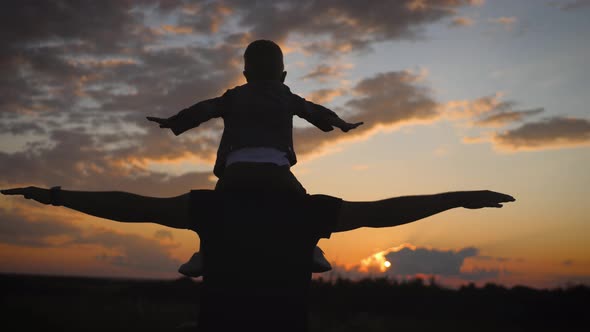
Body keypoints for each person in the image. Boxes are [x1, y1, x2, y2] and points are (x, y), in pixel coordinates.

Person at [2, 186, 515, 332]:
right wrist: (457, 197)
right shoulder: (308, 209)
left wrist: (56, 195)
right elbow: (385, 212)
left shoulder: (211, 204)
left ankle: (202, 257)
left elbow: (130, 207)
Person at [146, 39, 363, 277]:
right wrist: (340, 123)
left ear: (246, 74)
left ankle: (205, 253)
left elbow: (205, 109)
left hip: (235, 172)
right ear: (284, 75)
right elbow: (315, 111)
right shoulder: (286, 96)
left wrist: (175, 121)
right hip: (277, 172)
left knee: (215, 212)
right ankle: (310, 248)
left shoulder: (233, 96)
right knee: (301, 204)